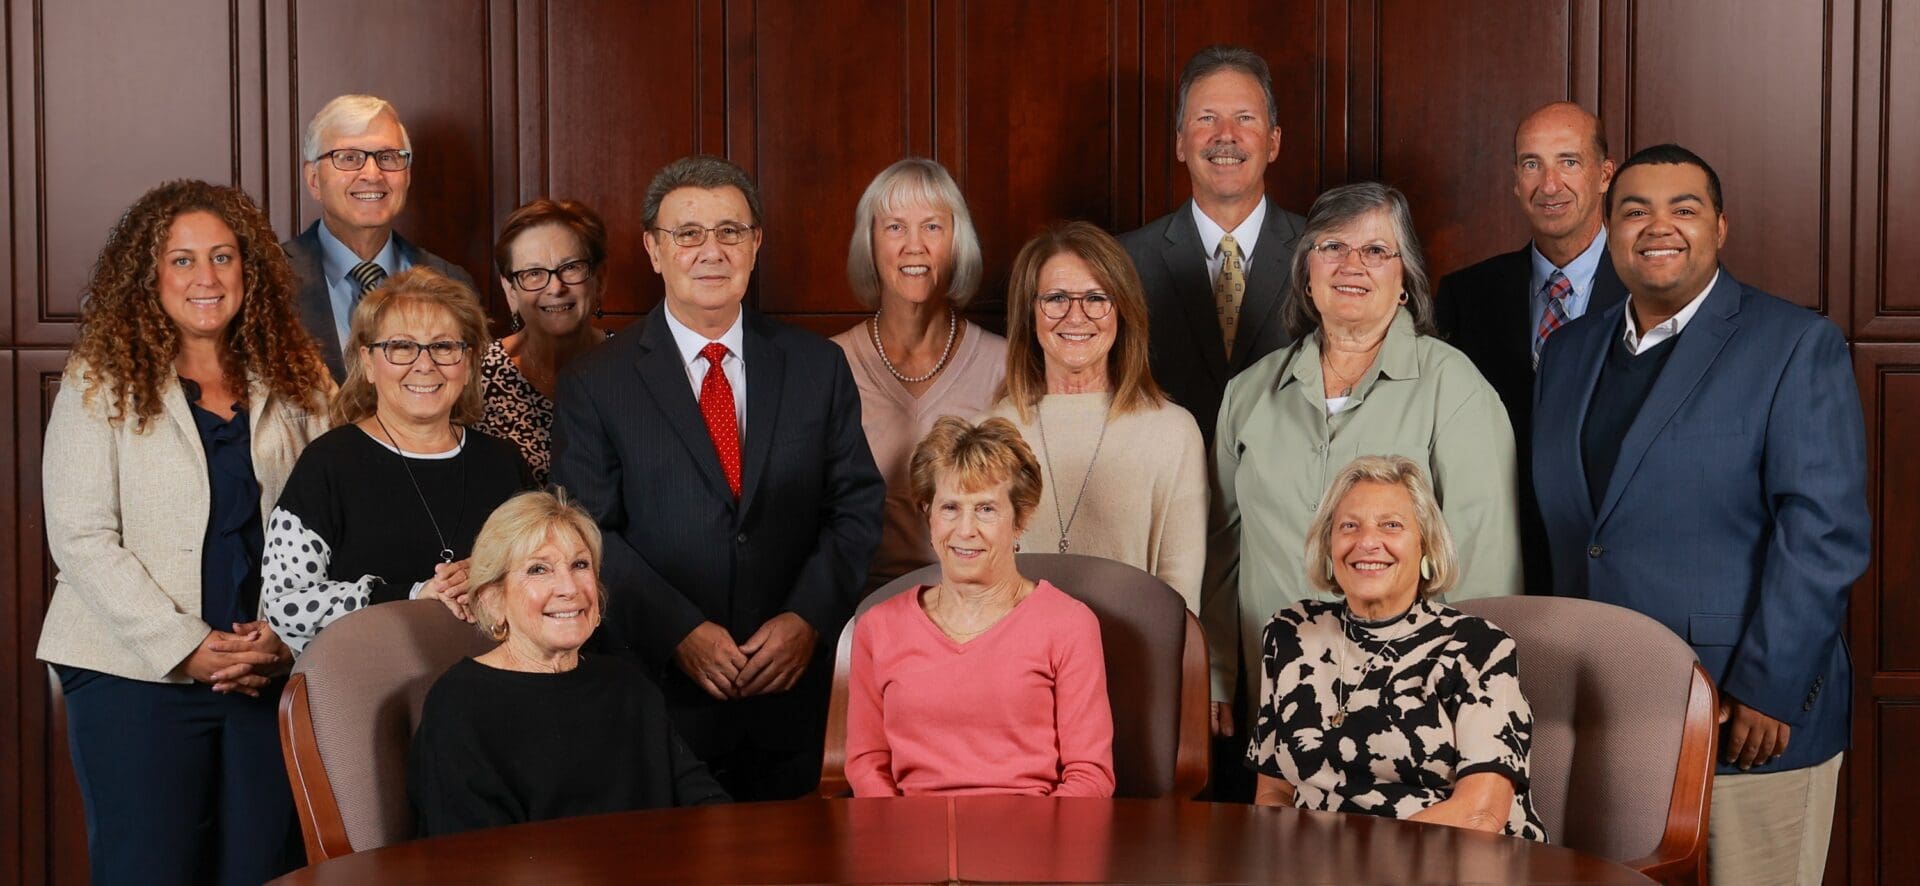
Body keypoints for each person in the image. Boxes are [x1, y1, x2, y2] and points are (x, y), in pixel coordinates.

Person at [1532, 144, 1869, 886]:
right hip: (1598, 721)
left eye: (1683, 208)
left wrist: (1767, 689)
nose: (1659, 226)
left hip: (1743, 718)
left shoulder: (1793, 345)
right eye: (1634, 209)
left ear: (1721, 226)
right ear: (1608, 230)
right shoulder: (1570, 352)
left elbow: (1824, 534)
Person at [552, 155, 884, 800]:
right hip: (658, 693)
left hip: (795, 695)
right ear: (653, 248)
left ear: (755, 243)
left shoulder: (817, 367)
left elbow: (856, 507)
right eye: (688, 234)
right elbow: (588, 532)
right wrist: (679, 631)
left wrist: (807, 619)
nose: (712, 251)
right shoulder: (597, 382)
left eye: (730, 231)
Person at [37, 180, 332, 884]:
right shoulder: (98, 379)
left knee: (265, 867)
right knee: (150, 868)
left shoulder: (300, 380)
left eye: (224, 257)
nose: (207, 278)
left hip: (264, 673)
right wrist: (186, 648)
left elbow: (331, 520)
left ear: (249, 270)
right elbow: (80, 538)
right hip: (131, 671)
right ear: (149, 276)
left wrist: (282, 638)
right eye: (182, 260)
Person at [1209, 182, 1522, 749]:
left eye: (1377, 251)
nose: (1352, 264)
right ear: (1307, 272)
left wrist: (1465, 696)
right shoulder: (1248, 395)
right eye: (1332, 247)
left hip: (1415, 706)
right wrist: (1216, 675)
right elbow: (1221, 553)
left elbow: (1486, 562)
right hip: (1280, 696)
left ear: (1405, 281)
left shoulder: (1454, 387)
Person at [1248, 455, 1545, 841]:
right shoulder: (1290, 634)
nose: (1367, 542)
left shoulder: (1478, 648)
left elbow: (1480, 815)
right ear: (1328, 544)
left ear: (1426, 545)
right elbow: (1273, 791)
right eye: (1349, 526)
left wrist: (1355, 868)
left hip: (1458, 862)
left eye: (1391, 525)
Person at [409, 490, 729, 836]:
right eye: (538, 569)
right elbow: (473, 863)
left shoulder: (627, 684)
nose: (568, 587)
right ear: (492, 600)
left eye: (580, 565)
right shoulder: (459, 705)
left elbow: (705, 803)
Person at [262, 268, 534, 656]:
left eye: (443, 346)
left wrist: (494, 577)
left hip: (493, 687)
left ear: (469, 362)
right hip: (374, 692)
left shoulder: (504, 461)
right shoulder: (327, 463)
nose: (425, 365)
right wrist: (414, 594)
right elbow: (285, 604)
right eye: (402, 346)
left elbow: (550, 574)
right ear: (368, 363)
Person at [846, 416, 1115, 797]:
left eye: (986, 509)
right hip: (910, 843)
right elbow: (866, 763)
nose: (965, 530)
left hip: (1033, 843)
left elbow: (1090, 776)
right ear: (928, 513)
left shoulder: (1070, 624)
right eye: (950, 508)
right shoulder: (878, 627)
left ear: (1020, 519)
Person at [1434, 101, 1628, 594]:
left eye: (1569, 161)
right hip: (1498, 562)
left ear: (1605, 175)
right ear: (1515, 181)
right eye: (1531, 164)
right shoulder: (1466, 295)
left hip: (1616, 569)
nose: (1549, 184)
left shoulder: (1647, 291)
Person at [984, 221, 1207, 611]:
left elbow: (1180, 601)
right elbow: (978, 585)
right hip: (1017, 665)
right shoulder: (991, 431)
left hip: (1137, 657)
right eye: (1055, 298)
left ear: (1123, 312)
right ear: (1028, 313)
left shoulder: (1174, 432)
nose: (1075, 316)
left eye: (1096, 298)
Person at [831, 158, 1007, 592]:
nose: (914, 246)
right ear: (870, 244)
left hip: (975, 601)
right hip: (858, 601)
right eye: (895, 227)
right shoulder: (828, 364)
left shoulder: (1004, 364)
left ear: (956, 243)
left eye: (932, 227)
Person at [1118, 44, 1307, 445]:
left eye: (1244, 118)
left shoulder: (1323, 253)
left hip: (1292, 500)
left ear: (1273, 143)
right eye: (1207, 119)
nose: (1226, 136)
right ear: (1180, 143)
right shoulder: (1123, 262)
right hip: (1163, 494)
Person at [283, 94, 477, 381]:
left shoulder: (453, 283)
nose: (372, 174)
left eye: (387, 157)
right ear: (313, 180)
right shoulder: (269, 278)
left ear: (407, 175)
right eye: (349, 158)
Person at [478, 198, 613, 484]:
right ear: (510, 290)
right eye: (534, 273)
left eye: (571, 268)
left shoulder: (635, 368)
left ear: (599, 280)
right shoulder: (474, 376)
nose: (555, 287)